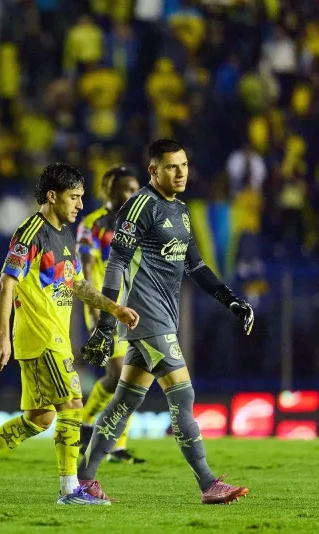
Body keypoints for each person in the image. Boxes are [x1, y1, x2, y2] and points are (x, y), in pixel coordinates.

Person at [0, 163, 139, 505]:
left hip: (56, 337)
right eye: (74, 197)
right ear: (52, 196)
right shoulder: (30, 233)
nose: (80, 204)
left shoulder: (65, 233)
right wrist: (2, 336)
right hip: (40, 337)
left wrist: (114, 309)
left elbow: (78, 284)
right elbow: (5, 284)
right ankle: (70, 490)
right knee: (73, 405)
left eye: (81, 197)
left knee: (40, 418)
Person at [79, 139, 253, 504]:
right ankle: (208, 483)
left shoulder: (181, 211)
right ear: (153, 170)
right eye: (171, 167)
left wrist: (230, 300)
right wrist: (107, 322)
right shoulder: (140, 205)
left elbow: (197, 266)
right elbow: (116, 262)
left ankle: (84, 479)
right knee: (183, 394)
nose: (180, 173)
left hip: (161, 319)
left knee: (124, 402)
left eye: (184, 165)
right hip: (147, 317)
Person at [76, 165, 144, 463]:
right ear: (110, 190)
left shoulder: (138, 225)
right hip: (106, 308)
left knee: (128, 377)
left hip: (134, 309)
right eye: (127, 189)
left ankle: (106, 437)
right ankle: (92, 426)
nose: (133, 195)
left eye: (136, 190)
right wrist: (96, 316)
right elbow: (86, 270)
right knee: (120, 376)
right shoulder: (94, 224)